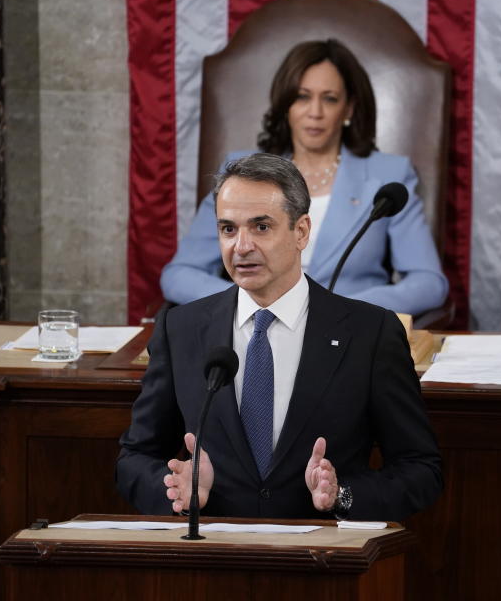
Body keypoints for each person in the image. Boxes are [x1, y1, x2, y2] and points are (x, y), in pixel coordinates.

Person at [117, 153, 443, 521]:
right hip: (212, 555)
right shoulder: (181, 328)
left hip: (324, 561)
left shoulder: (371, 333)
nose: (240, 247)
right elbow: (135, 458)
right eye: (228, 229)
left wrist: (343, 496)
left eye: (261, 227)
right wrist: (178, 493)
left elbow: (420, 469)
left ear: (301, 231)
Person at [160, 39, 448, 317]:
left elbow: (428, 283)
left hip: (347, 333)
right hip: (253, 329)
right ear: (286, 104)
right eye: (302, 96)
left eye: (330, 99)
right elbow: (179, 275)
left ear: (348, 108)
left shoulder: (389, 175)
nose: (315, 113)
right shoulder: (241, 173)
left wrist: (342, 308)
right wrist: (246, 304)